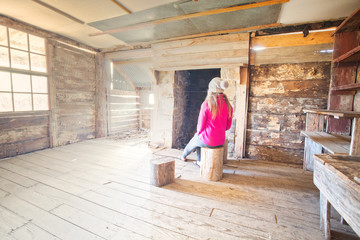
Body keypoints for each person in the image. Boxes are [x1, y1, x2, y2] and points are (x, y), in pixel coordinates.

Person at [180, 77, 233, 167]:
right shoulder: (229, 105)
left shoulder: (207, 104)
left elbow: (200, 127)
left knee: (196, 138)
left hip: (208, 140)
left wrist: (198, 134)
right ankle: (199, 161)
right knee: (199, 139)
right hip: (220, 141)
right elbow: (227, 127)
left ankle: (183, 156)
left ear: (211, 89)